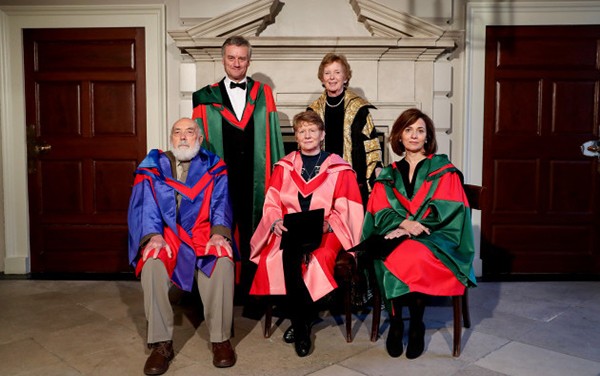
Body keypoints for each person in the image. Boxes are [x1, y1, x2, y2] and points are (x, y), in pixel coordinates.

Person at [359, 108, 476, 359]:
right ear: (399, 136)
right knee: (387, 253)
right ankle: (397, 321)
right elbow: (379, 209)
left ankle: (415, 324)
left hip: (436, 236)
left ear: (428, 137)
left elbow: (450, 207)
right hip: (396, 233)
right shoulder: (388, 174)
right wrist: (402, 224)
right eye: (408, 130)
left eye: (420, 131)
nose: (414, 135)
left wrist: (414, 227)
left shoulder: (443, 169)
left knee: (412, 253)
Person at [249, 111, 364, 357]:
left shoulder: (338, 168)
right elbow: (271, 202)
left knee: (319, 258)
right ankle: (303, 324)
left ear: (322, 135)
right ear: (297, 137)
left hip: (326, 228)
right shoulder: (285, 166)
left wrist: (329, 224)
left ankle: (300, 322)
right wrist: (276, 220)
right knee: (286, 255)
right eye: (302, 131)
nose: (307, 135)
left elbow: (348, 206)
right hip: (292, 226)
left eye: (312, 130)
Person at [128, 118, 237, 375]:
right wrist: (153, 235)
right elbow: (145, 206)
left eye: (190, 132)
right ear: (171, 139)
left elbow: (221, 203)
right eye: (178, 133)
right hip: (168, 235)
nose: (184, 137)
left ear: (199, 138)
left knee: (221, 261)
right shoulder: (153, 166)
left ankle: (220, 339)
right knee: (153, 263)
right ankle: (161, 343)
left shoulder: (213, 166)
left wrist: (219, 233)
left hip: (202, 233)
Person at [192, 35, 284, 317]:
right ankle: (222, 292)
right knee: (222, 227)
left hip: (256, 175)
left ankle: (253, 294)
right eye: (231, 57)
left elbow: (273, 135)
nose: (236, 63)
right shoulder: (205, 97)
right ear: (223, 60)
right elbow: (198, 144)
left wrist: (279, 177)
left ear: (249, 60)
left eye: (241, 58)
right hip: (220, 176)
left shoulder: (263, 93)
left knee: (255, 229)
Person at [308, 53, 383, 206]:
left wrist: (377, 171)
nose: (332, 77)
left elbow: (372, 146)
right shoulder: (313, 110)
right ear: (322, 79)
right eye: (327, 73)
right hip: (322, 181)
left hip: (353, 182)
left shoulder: (359, 109)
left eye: (337, 72)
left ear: (346, 77)